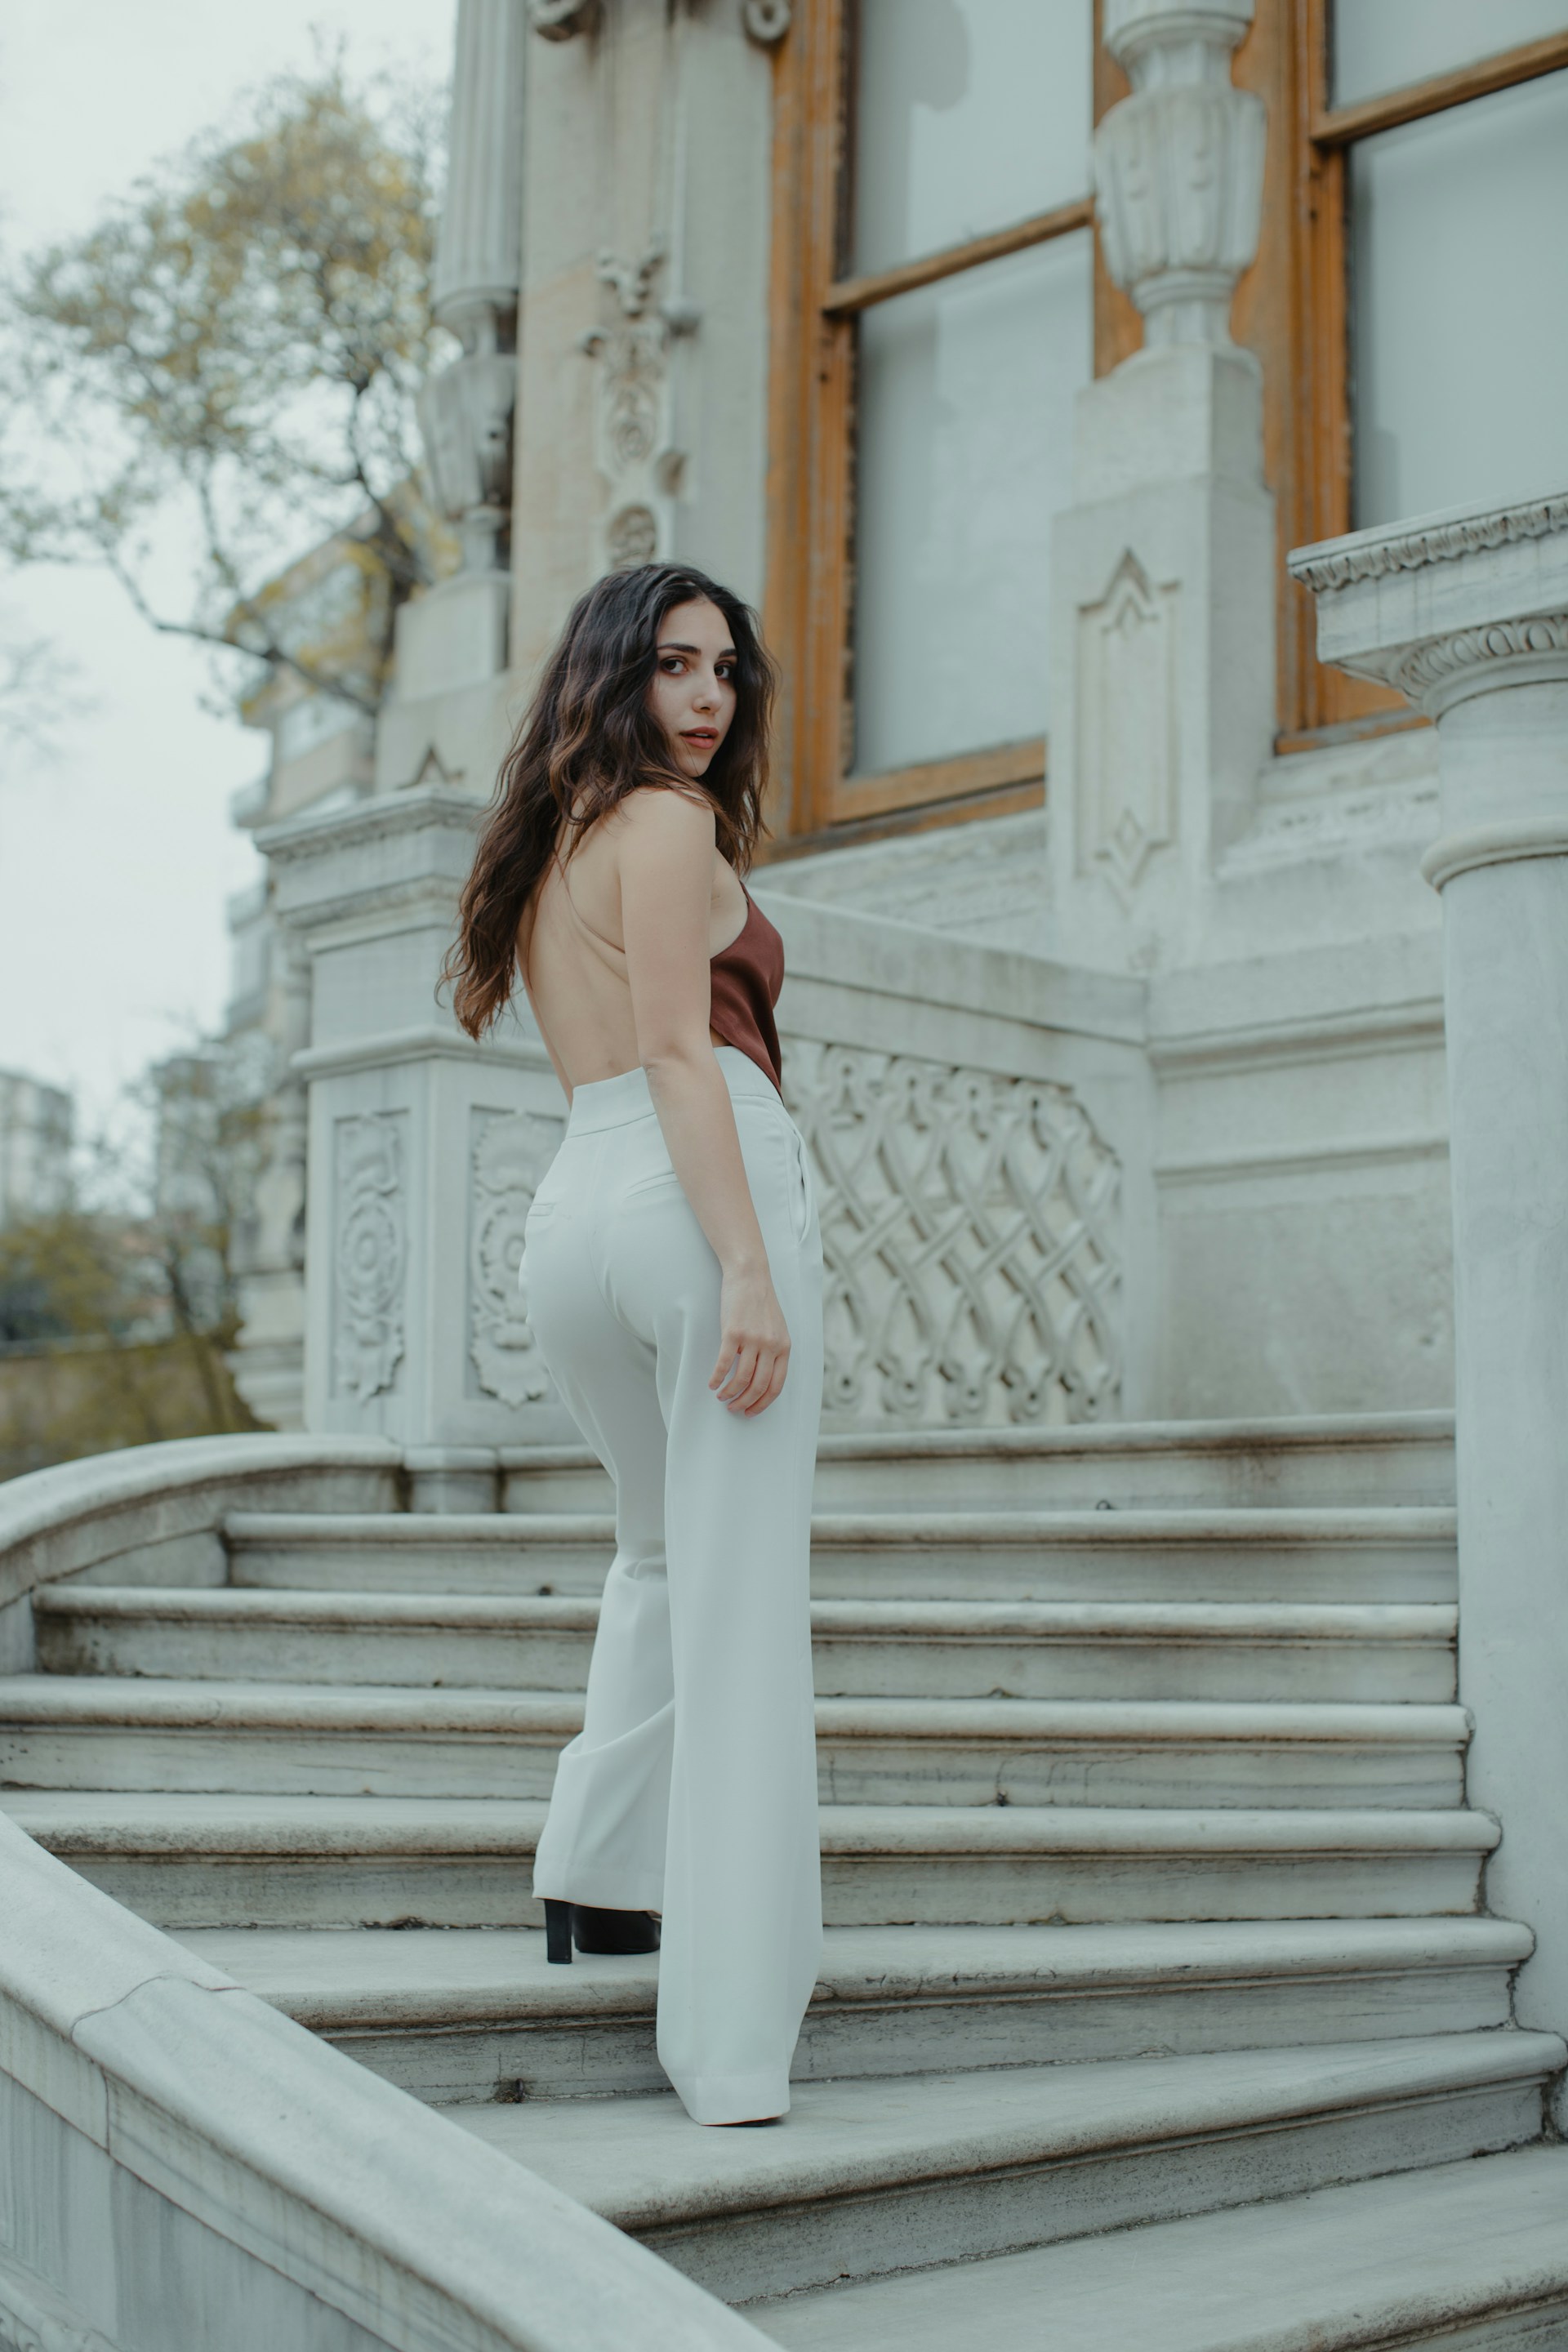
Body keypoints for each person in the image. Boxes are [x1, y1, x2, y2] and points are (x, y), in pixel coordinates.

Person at [443, 562, 824, 2128]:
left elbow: (616, 1057)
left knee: (661, 1559)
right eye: (674, 665)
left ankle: (597, 1874)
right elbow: (682, 1047)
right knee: (740, 1596)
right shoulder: (667, 828)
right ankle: (733, 2046)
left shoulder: (545, 846)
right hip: (690, 1183)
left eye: (726, 669)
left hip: (575, 1211)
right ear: (614, 671)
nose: (708, 696)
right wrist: (746, 1263)